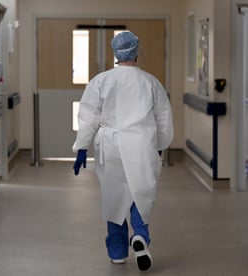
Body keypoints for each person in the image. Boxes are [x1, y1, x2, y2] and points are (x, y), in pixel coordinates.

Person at [72, 31, 174, 272]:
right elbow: (164, 119)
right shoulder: (150, 82)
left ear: (115, 53)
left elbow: (88, 117)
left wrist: (81, 148)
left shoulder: (101, 81)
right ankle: (139, 235)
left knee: (114, 196)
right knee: (141, 191)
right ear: (136, 52)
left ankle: (117, 252)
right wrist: (160, 146)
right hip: (141, 143)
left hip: (111, 144)